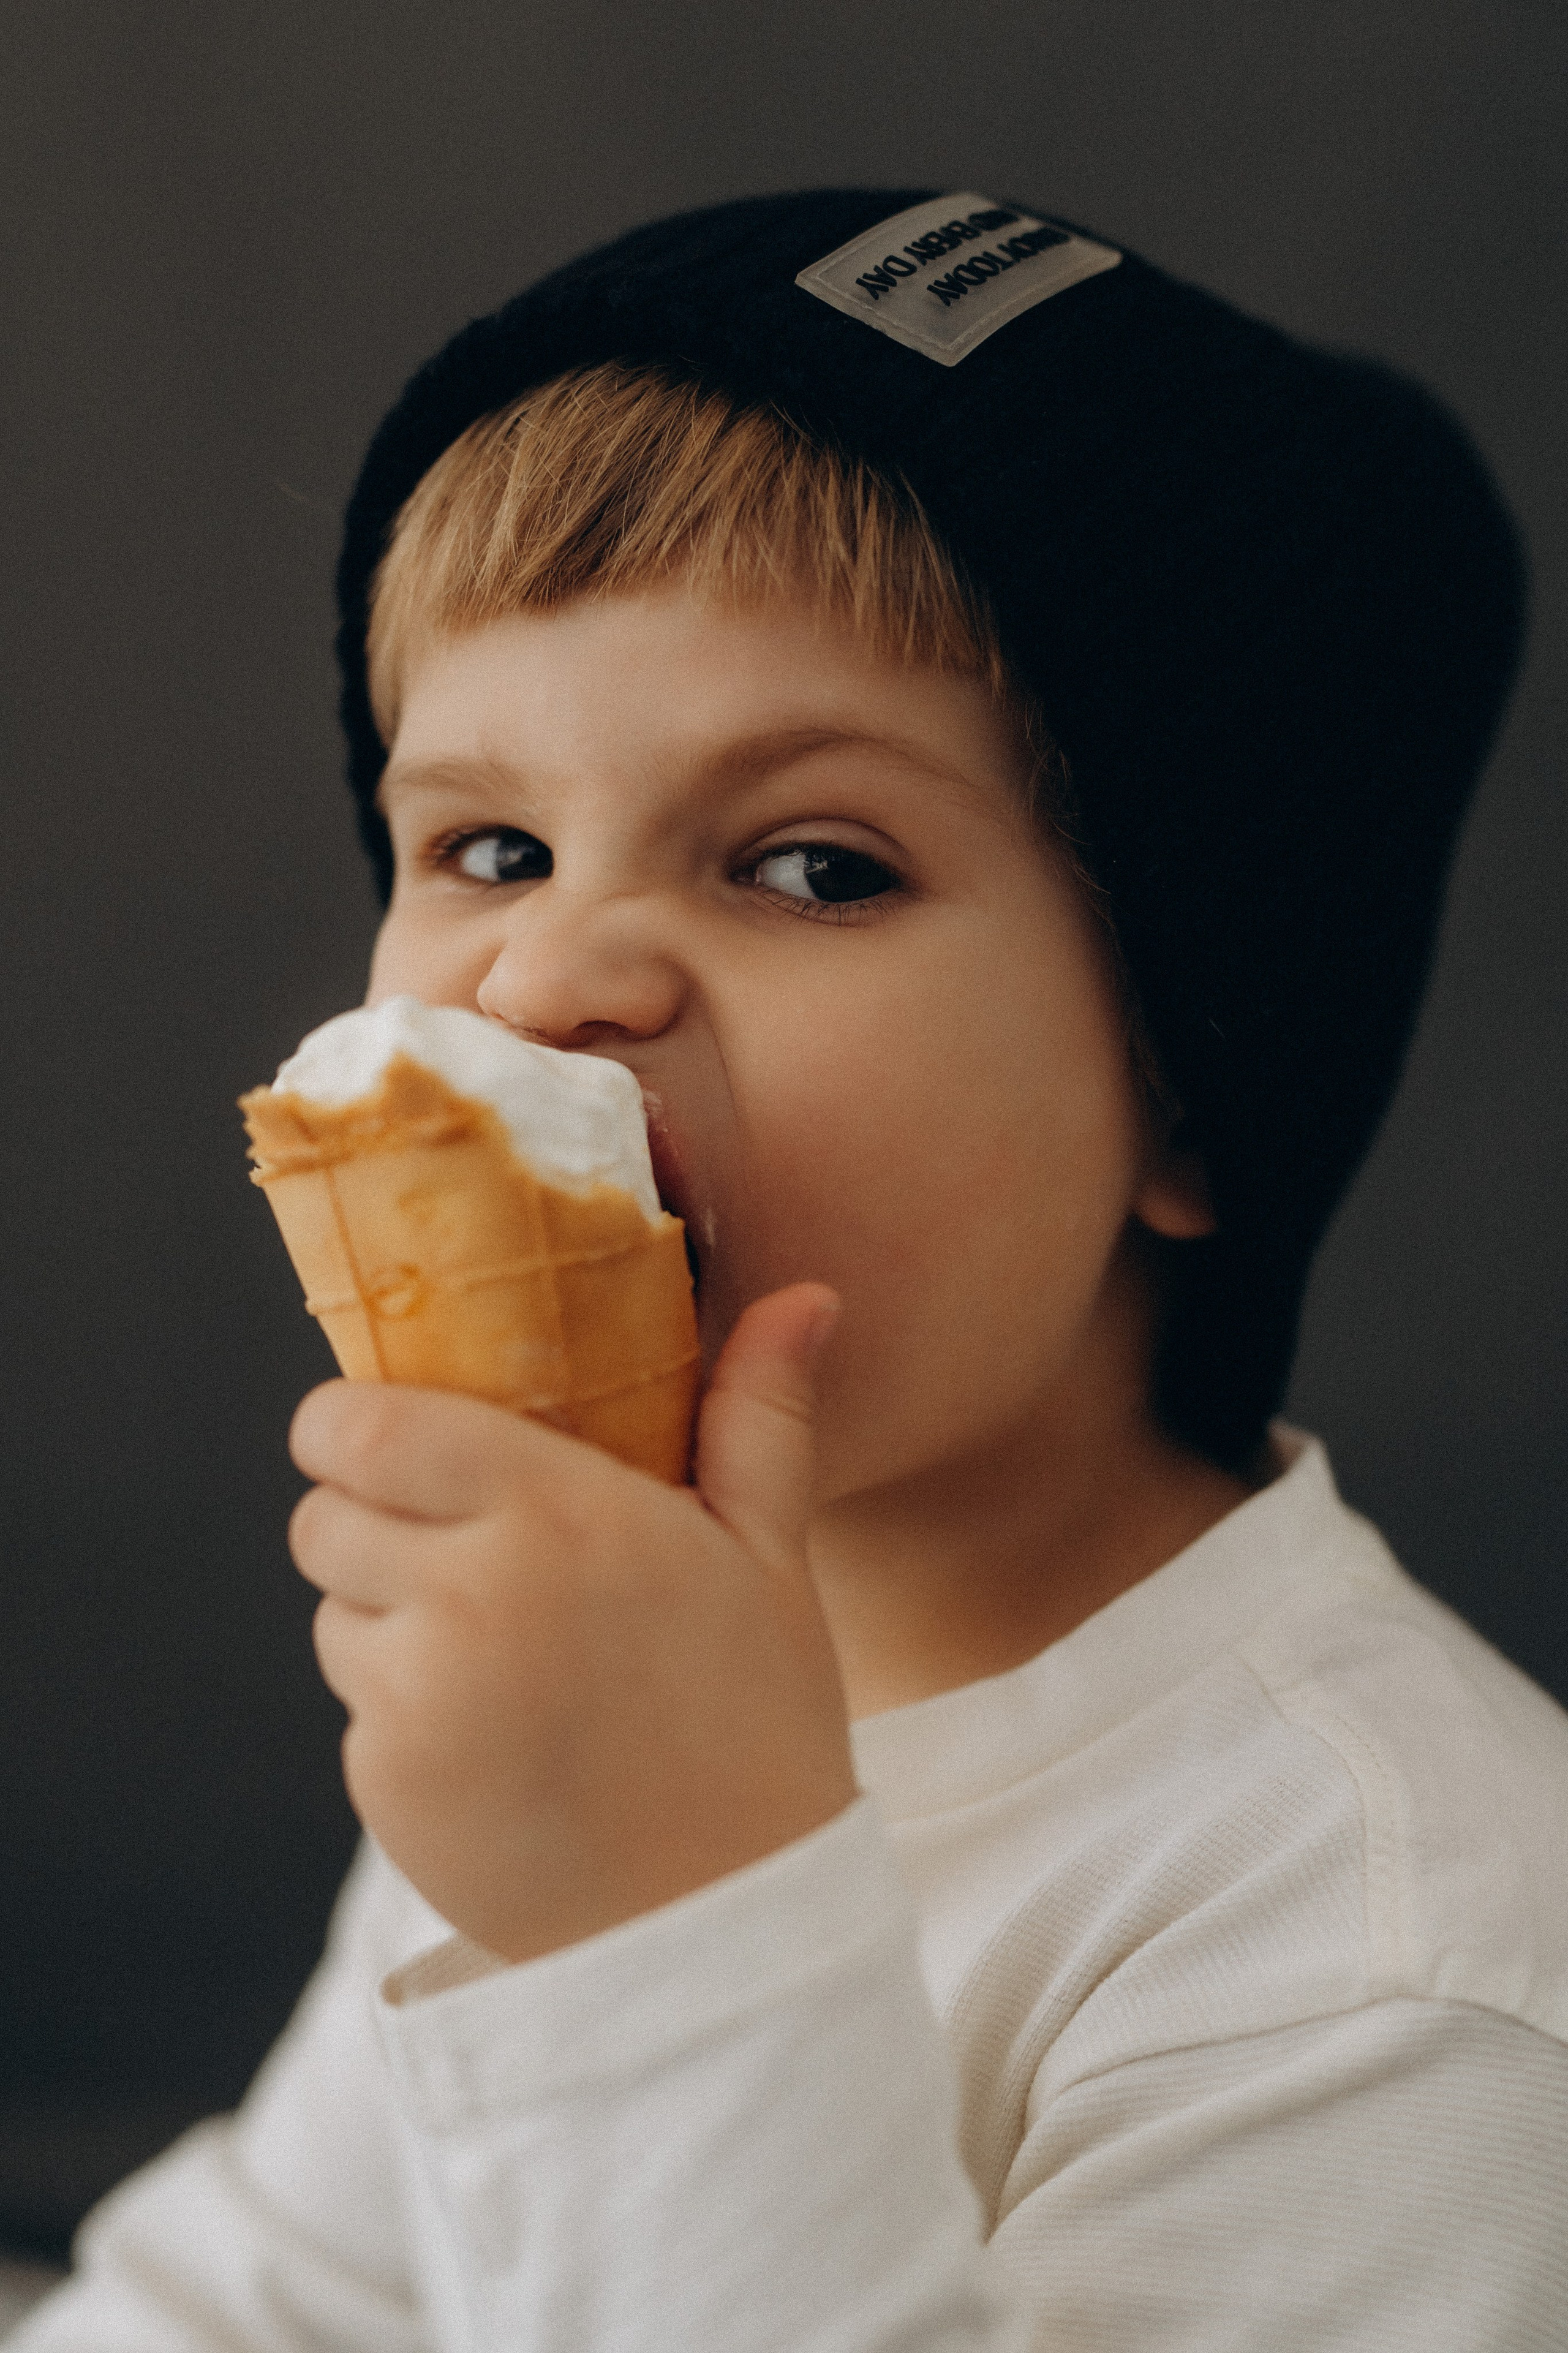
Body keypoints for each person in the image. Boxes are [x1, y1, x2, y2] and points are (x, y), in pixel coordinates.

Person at [16, 189, 1566, 2350]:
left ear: (1194, 1082)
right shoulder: (598, 1650)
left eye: (811, 865)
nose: (552, 968)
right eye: (486, 844)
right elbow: (266, 2297)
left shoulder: (1387, 1970)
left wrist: (669, 1918)